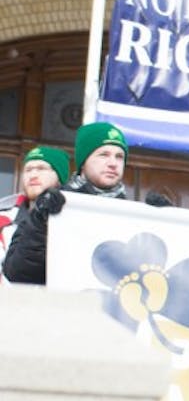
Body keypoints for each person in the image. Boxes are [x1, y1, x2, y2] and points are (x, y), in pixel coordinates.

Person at [3, 121, 128, 285]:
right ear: (83, 162)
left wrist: (162, 218)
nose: (113, 163)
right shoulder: (52, 206)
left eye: (119, 156)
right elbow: (17, 272)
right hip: (62, 308)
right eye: (103, 155)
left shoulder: (132, 214)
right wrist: (41, 223)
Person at [0, 145, 70, 280]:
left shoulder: (75, 218)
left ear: (60, 177)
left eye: (41, 169)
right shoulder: (3, 219)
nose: (33, 175)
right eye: (28, 170)